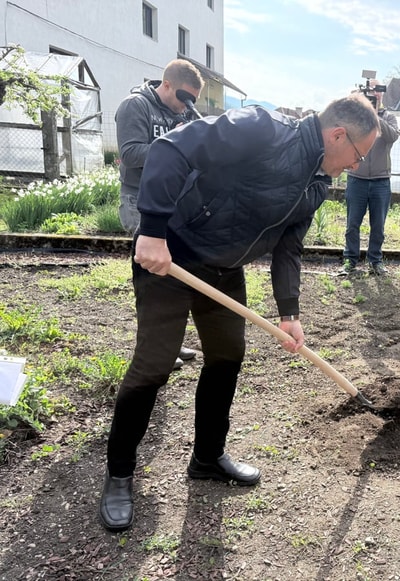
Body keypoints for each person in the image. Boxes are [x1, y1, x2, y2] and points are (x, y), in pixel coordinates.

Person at [99, 93, 380, 532]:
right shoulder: (261, 129)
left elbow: (289, 247)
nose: (357, 166)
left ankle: (207, 457)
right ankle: (119, 475)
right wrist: (152, 230)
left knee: (227, 357)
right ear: (338, 135)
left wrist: (290, 312)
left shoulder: (316, 183)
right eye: (359, 155)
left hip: (224, 271)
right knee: (153, 365)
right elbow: (169, 149)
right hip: (172, 256)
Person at [115, 59, 204, 369]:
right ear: (166, 85)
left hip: (170, 202)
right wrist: (171, 142)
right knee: (152, 277)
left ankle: (170, 343)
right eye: (184, 97)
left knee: (171, 275)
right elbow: (129, 154)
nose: (188, 106)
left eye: (193, 100)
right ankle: (156, 351)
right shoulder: (135, 106)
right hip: (138, 200)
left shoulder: (181, 111)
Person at [339, 79, 399, 276]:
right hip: (357, 179)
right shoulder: (357, 116)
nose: (374, 94)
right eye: (370, 90)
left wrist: (375, 115)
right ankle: (350, 260)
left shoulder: (389, 117)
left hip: (381, 181)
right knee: (352, 224)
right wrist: (358, 106)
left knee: (378, 226)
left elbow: (392, 136)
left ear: (381, 94)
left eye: (377, 90)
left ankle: (375, 261)